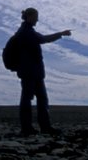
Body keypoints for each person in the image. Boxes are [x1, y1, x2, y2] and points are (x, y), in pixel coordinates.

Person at [11, 7, 71, 136]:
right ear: (30, 17)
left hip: (34, 72)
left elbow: (41, 39)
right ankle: (29, 128)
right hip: (29, 72)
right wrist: (61, 33)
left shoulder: (26, 30)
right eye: (36, 16)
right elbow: (43, 39)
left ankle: (41, 127)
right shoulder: (26, 31)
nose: (37, 19)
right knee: (29, 99)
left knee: (38, 99)